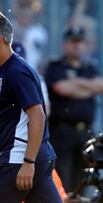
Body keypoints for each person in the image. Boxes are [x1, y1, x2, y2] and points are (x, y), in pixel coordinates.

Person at [0, 12, 61, 202]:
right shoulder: (6, 69)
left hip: (19, 158)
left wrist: (28, 162)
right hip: (34, 156)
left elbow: (37, 114)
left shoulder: (17, 71)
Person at [44, 26, 103, 192]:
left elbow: (102, 86)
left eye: (80, 42)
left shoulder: (89, 67)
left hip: (85, 133)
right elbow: (62, 89)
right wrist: (88, 87)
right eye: (73, 42)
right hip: (62, 132)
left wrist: (76, 82)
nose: (77, 46)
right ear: (65, 44)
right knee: (63, 179)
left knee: (82, 181)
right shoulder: (56, 66)